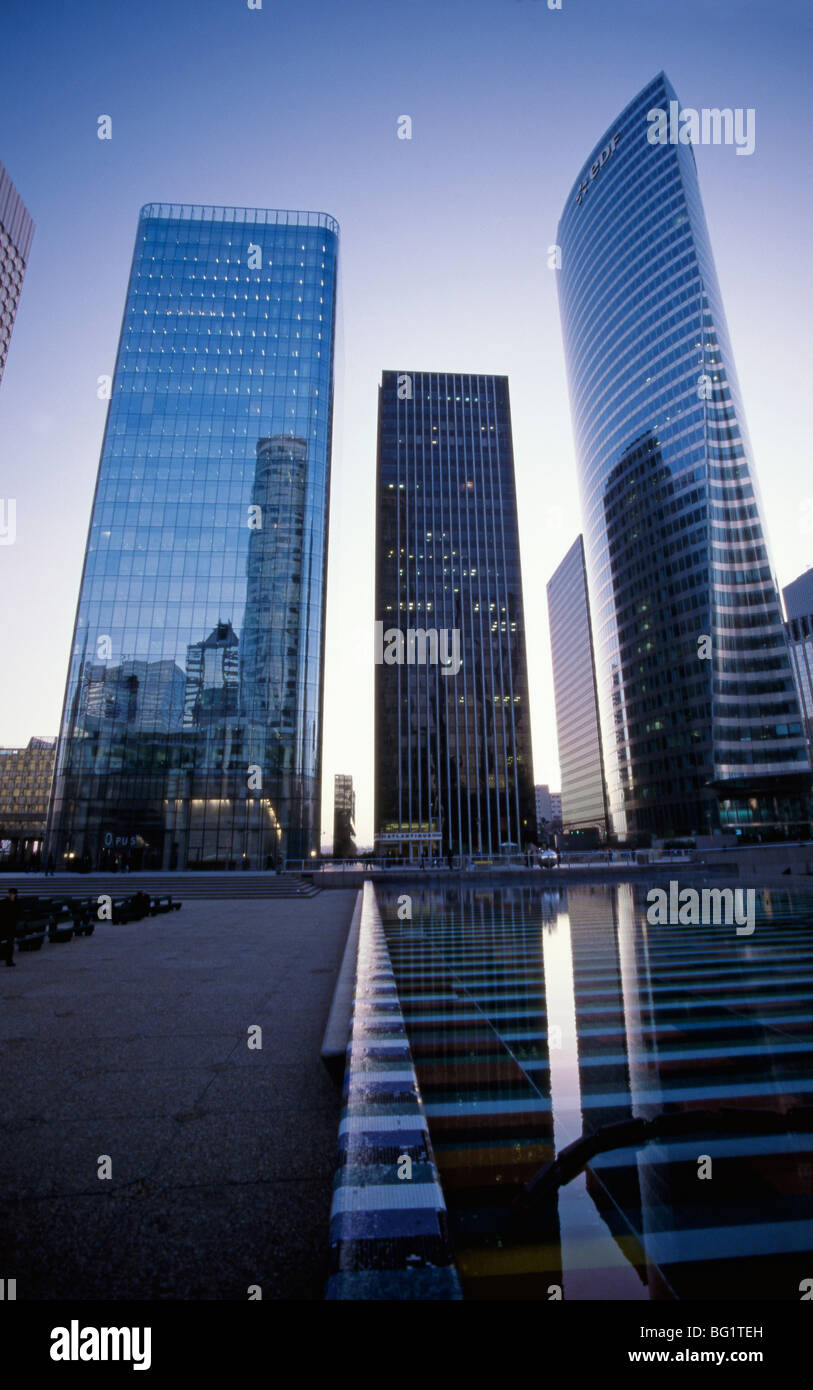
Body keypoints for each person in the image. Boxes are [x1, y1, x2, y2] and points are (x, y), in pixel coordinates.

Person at [0, 887, 21, 967]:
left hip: (10, 927)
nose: (11, 895)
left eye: (12, 894)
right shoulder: (4, 902)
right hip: (4, 926)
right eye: (10, 894)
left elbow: (17, 914)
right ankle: (7, 959)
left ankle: (9, 960)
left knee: (10, 943)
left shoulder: (17, 903)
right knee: (9, 943)